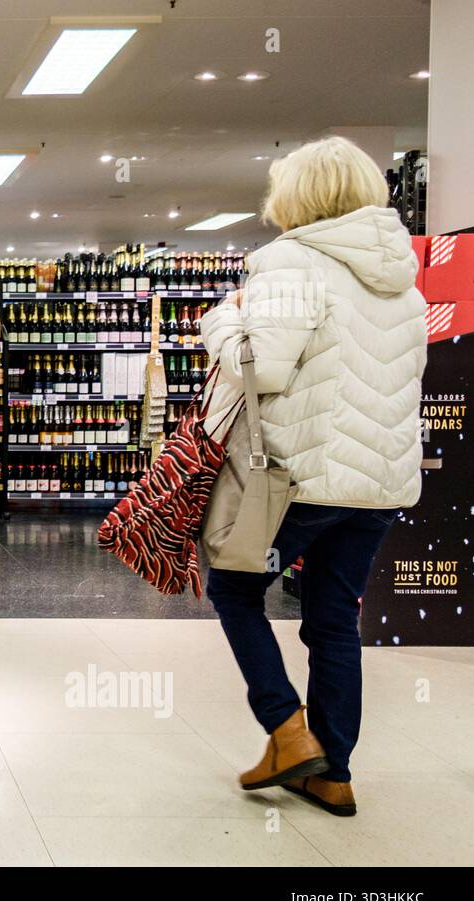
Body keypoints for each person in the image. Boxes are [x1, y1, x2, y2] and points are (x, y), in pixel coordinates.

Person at [201, 136, 427, 816]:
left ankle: (289, 732)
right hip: (378, 484)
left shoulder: (290, 263)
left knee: (234, 588)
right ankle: (334, 772)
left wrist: (222, 321)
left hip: (304, 478)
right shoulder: (403, 277)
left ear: (297, 196)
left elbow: (261, 368)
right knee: (333, 619)